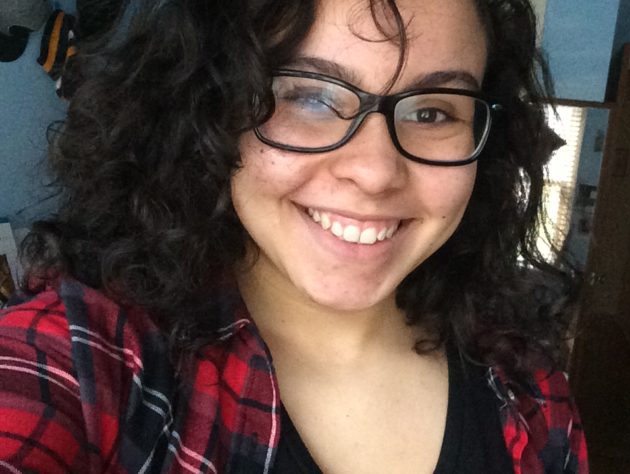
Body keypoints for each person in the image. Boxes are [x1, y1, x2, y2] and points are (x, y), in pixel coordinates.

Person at [0, 0, 589, 472]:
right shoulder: (84, 364)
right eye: (310, 96)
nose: (375, 172)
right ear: (209, 110)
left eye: (432, 112)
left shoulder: (530, 390)